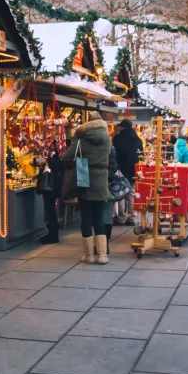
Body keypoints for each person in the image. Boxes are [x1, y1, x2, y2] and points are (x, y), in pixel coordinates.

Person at [62, 112, 112, 263]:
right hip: (101, 178)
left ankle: (89, 255)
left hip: (84, 176)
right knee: (99, 217)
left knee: (86, 217)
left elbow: (66, 158)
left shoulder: (80, 140)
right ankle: (102, 255)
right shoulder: (107, 140)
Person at [112, 119, 143, 226]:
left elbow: (114, 153)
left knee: (120, 191)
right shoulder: (137, 139)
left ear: (123, 127)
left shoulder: (118, 138)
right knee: (131, 193)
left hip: (120, 169)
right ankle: (132, 217)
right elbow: (141, 155)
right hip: (133, 169)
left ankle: (121, 217)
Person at [37, 142, 64, 243]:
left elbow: (62, 164)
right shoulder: (58, 148)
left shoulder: (62, 148)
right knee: (50, 209)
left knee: (50, 209)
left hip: (52, 183)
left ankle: (53, 235)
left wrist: (47, 161)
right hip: (52, 183)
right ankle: (52, 233)